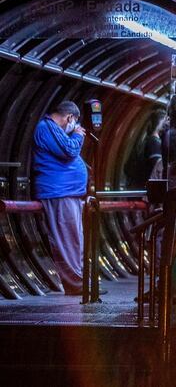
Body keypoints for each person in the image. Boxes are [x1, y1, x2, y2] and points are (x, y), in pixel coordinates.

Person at [32, 101, 88, 295]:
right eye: (74, 123)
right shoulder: (46, 127)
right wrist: (78, 135)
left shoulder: (56, 130)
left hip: (67, 193)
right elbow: (69, 151)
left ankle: (79, 281)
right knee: (65, 240)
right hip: (57, 192)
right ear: (70, 118)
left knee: (74, 239)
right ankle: (75, 284)